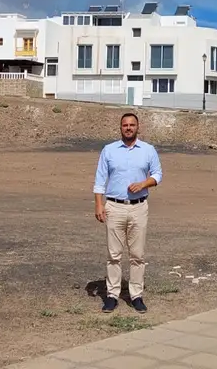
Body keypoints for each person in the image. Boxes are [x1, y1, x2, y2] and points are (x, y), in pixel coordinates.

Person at [92, 112, 162, 314]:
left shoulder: (148, 150)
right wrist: (99, 205)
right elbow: (99, 180)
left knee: (137, 255)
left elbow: (158, 174)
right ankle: (112, 295)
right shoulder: (109, 150)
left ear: (138, 127)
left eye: (132, 125)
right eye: (125, 125)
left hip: (139, 207)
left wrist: (144, 183)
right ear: (120, 127)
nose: (128, 128)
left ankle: (136, 295)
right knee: (113, 255)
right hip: (114, 207)